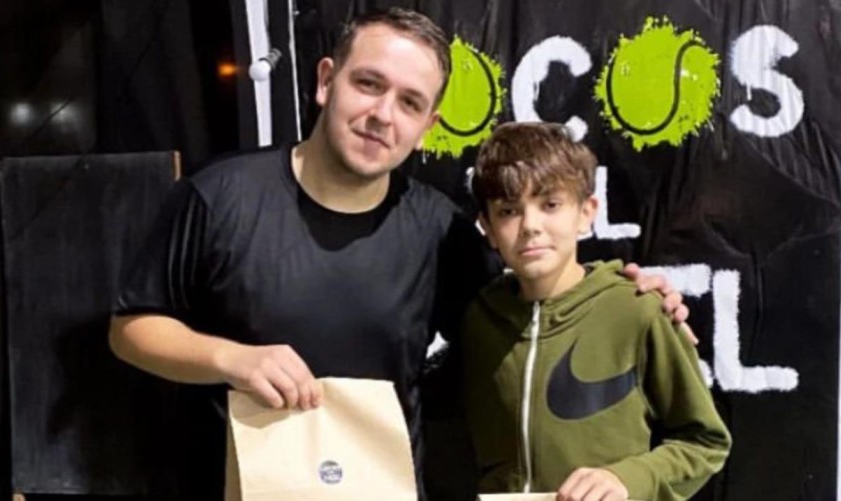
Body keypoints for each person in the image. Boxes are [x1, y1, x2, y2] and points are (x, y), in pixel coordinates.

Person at [108, 8, 689, 500]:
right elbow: (130, 329)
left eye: (410, 103)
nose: (383, 115)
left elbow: (531, 314)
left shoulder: (439, 230)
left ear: (427, 126)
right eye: (369, 84)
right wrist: (230, 358)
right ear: (326, 81)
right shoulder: (220, 196)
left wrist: (629, 296)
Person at [462, 122, 731, 501]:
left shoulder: (636, 310)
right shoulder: (478, 319)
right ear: (488, 228)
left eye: (550, 204)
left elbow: (705, 440)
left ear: (587, 212)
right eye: (508, 210)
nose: (531, 226)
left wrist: (629, 479)